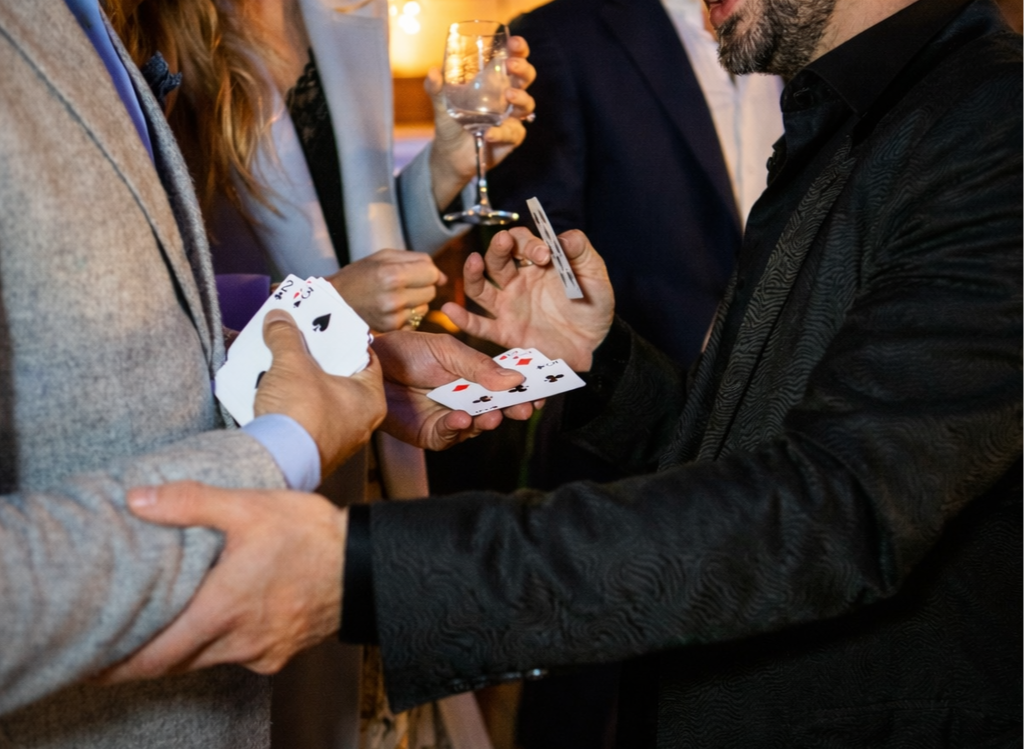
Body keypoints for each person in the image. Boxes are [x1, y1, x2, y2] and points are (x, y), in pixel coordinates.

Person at [105, 0, 1024, 745]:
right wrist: (599, 363)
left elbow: (828, 510)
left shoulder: (993, 127)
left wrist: (363, 574)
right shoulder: (864, 115)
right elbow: (751, 448)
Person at [0, 2, 526, 748]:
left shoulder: (350, 15)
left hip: (359, 426)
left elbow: (362, 239)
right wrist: (323, 307)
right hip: (220, 480)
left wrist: (440, 171)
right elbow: (157, 290)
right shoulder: (145, 21)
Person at [482, 0, 782, 739]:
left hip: (777, 447)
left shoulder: (800, 38)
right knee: (589, 710)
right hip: (618, 447)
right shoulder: (559, 37)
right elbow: (536, 253)